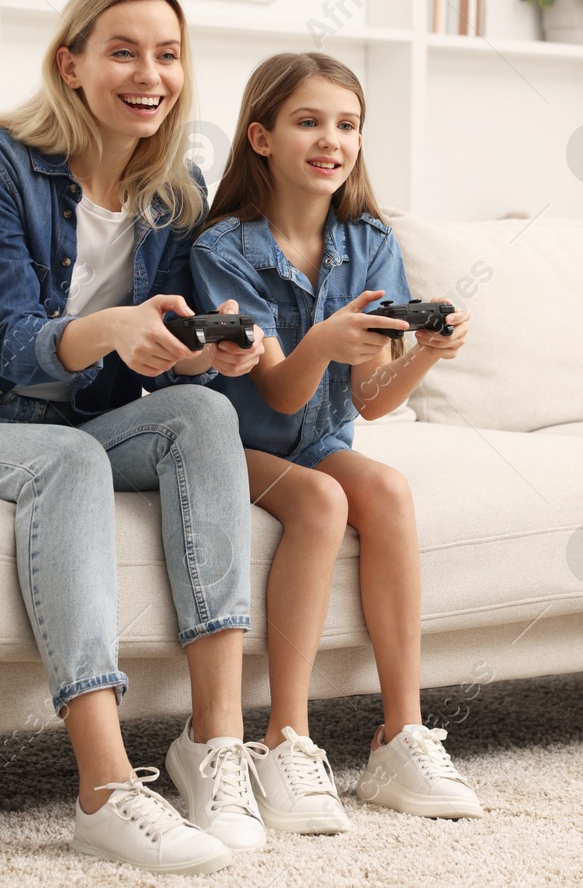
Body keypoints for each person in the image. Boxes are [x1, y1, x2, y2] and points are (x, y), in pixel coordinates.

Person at [0, 0, 271, 875]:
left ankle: (216, 745)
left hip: (81, 419)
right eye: (123, 51)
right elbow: (6, 342)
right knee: (70, 457)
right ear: (70, 65)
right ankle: (107, 789)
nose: (149, 73)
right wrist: (113, 328)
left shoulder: (177, 187)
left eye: (167, 53)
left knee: (199, 414)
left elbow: (172, 334)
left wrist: (207, 348)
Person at [189, 52, 484, 834]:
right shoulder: (223, 247)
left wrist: (423, 350)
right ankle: (285, 736)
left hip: (318, 437)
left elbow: (369, 400)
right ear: (261, 136)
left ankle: (400, 733)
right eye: (308, 121)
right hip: (235, 442)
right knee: (320, 501)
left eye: (347, 124)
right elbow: (280, 390)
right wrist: (321, 337)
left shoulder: (369, 240)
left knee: (386, 489)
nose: (332, 139)